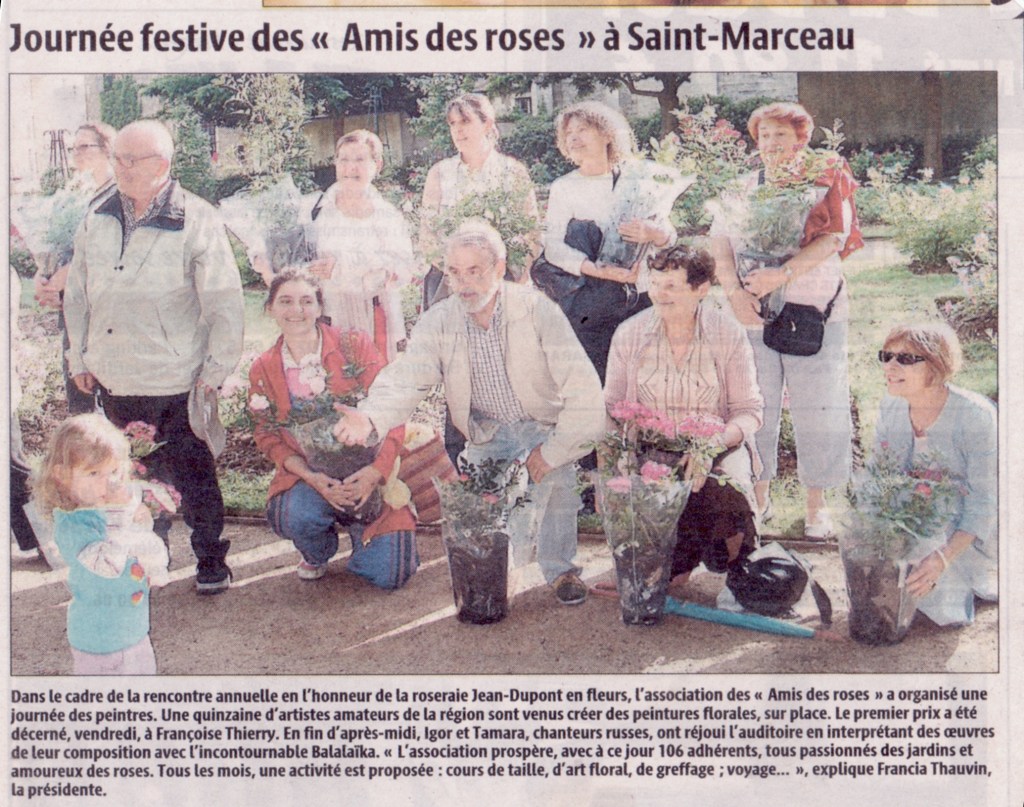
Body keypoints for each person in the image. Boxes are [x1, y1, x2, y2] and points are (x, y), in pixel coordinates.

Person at [334, 220, 605, 605]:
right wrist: (370, 417)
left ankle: (560, 570)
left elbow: (583, 390)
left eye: (474, 270)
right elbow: (408, 377)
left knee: (557, 484)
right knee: (481, 510)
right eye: (455, 272)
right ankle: (497, 572)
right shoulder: (440, 319)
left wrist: (554, 451)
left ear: (499, 267)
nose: (463, 283)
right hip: (486, 431)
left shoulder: (537, 311)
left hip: (543, 424)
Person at [63, 119, 244, 594]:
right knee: (129, 479)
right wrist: (79, 358)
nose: (119, 167)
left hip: (177, 379)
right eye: (117, 157)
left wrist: (217, 369)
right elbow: (77, 293)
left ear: (161, 165)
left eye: (131, 159)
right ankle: (145, 560)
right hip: (114, 378)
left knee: (195, 476)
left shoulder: (197, 217)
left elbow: (224, 300)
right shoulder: (95, 213)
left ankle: (210, 560)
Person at [709, 101, 863, 539]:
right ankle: (758, 499)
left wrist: (783, 272)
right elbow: (720, 245)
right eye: (764, 136)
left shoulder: (824, 182)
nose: (772, 143)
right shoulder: (740, 188)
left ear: (801, 138)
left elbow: (833, 239)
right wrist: (735, 293)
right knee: (754, 405)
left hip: (814, 312)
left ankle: (818, 506)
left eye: (781, 134)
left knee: (820, 406)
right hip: (752, 314)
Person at [604, 245, 764, 585]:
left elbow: (748, 412)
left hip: (715, 447)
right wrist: (617, 460)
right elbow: (611, 407)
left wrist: (709, 449)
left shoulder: (727, 334)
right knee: (662, 581)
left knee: (728, 486)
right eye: (655, 283)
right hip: (651, 450)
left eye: (671, 286)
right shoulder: (630, 334)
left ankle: (739, 567)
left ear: (701, 290)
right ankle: (673, 562)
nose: (658, 294)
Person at [248, 271, 418, 588]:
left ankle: (361, 527)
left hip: (369, 474)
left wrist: (373, 474)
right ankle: (319, 549)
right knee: (294, 516)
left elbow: (392, 410)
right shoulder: (263, 368)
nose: (296, 310)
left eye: (306, 301)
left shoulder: (352, 346)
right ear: (270, 308)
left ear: (319, 306)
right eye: (285, 301)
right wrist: (314, 478)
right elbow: (268, 438)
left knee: (391, 576)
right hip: (313, 478)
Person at [539, 100, 677, 383]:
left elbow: (669, 236)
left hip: (638, 296)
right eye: (569, 134)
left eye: (583, 129)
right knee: (596, 381)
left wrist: (653, 233)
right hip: (591, 301)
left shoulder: (637, 179)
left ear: (606, 134)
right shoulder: (564, 187)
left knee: (642, 379)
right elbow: (552, 246)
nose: (574, 138)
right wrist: (596, 269)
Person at [874, 323, 997, 626]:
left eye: (905, 359)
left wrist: (941, 558)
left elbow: (985, 501)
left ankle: (954, 583)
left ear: (936, 365)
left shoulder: (975, 416)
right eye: (886, 356)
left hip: (971, 530)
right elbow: (881, 482)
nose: (890, 366)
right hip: (914, 519)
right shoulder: (890, 407)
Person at [30, 414, 169, 675]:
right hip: (100, 641)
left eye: (114, 471)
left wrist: (140, 524)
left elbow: (132, 544)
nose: (107, 482)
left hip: (134, 629)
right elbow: (107, 565)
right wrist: (120, 515)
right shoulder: (72, 525)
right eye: (93, 473)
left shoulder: (105, 508)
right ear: (61, 475)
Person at [420, 93, 540, 309]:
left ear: (487, 124)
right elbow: (427, 237)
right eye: (452, 123)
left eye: (465, 121)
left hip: (503, 280)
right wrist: (459, 275)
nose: (458, 130)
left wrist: (518, 277)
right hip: (450, 285)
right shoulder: (439, 173)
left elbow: (532, 232)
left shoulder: (513, 171)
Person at [306, 130, 415, 363]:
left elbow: (403, 268)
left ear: (377, 164)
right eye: (343, 160)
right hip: (328, 317)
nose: (350, 168)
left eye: (360, 160)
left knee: (375, 388)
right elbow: (295, 256)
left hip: (374, 319)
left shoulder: (387, 216)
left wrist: (343, 267)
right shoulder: (316, 210)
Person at [33, 122, 117, 415]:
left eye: (85, 146)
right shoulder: (71, 197)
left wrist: (63, 277)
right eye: (73, 148)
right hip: (72, 312)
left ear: (107, 149)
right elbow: (54, 246)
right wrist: (42, 277)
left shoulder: (118, 195)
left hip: (104, 314)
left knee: (105, 397)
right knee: (79, 398)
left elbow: (105, 253)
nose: (76, 154)